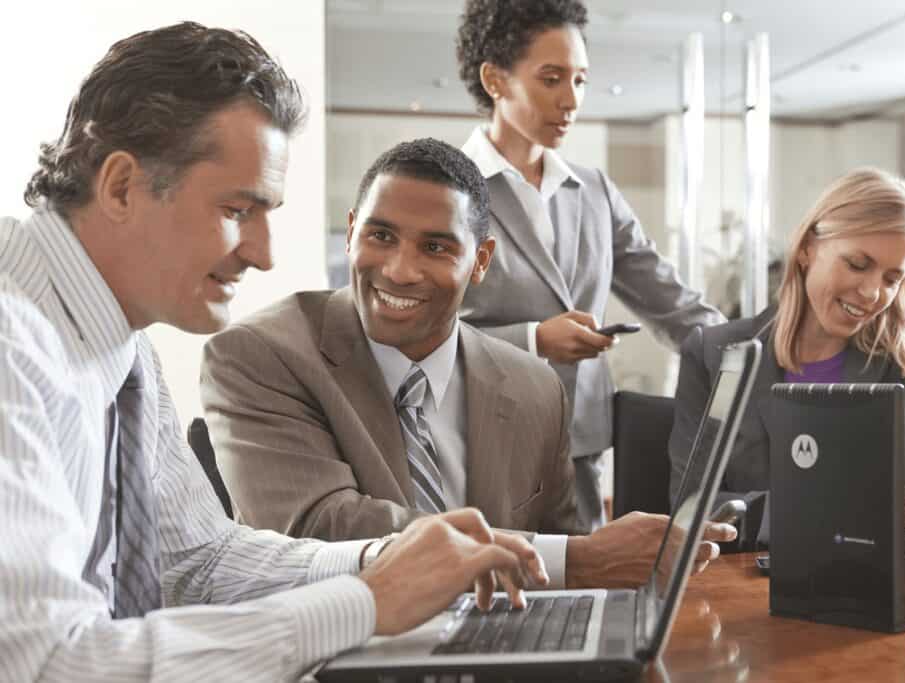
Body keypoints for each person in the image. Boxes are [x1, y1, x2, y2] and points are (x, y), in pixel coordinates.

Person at [0, 23, 547, 683]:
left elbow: (200, 561)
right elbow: (46, 663)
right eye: (237, 209)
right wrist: (369, 602)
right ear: (121, 187)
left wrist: (385, 557)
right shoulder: (13, 343)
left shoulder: (119, 345)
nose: (263, 254)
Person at [202, 138, 736, 590]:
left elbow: (561, 553)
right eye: (380, 235)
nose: (400, 270)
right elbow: (319, 528)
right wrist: (578, 559)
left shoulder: (536, 388)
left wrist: (597, 561)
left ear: (480, 260)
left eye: (435, 247)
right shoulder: (259, 355)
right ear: (350, 231)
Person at [455, 0, 726, 531]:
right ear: (495, 79)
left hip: (580, 446)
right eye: (552, 79)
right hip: (482, 442)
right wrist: (534, 339)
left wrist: (757, 353)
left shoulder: (594, 190)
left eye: (580, 80)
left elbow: (668, 299)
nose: (571, 100)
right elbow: (414, 334)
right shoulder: (448, 188)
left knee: (586, 590)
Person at [668, 168, 905, 551]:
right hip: (748, 586)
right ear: (807, 248)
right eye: (858, 264)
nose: (871, 292)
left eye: (892, 279)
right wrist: (818, 511)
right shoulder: (712, 354)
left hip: (878, 585)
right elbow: (688, 510)